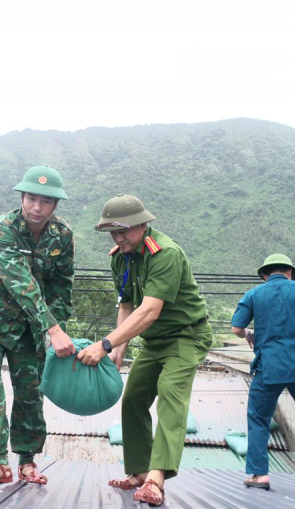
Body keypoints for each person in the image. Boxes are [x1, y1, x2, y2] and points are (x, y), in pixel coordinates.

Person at [77, 194, 213, 507]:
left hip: (187, 336)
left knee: (170, 394)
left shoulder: (164, 253)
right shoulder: (119, 256)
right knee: (134, 396)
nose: (118, 237)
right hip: (154, 341)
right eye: (112, 232)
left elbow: (149, 310)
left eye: (123, 230)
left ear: (143, 224)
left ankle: (156, 479)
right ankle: (138, 472)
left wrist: (105, 343)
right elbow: (127, 305)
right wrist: (119, 349)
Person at [0, 165, 76, 488]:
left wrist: (56, 331)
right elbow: (20, 282)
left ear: (55, 205)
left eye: (45, 201)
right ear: (22, 198)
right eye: (30, 199)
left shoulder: (63, 236)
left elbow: (61, 286)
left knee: (30, 392)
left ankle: (27, 461)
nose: (36, 208)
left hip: (31, 328)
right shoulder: (2, 229)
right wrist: (53, 329)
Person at [231, 254, 295, 490]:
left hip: (268, 368)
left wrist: (248, 336)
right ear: (290, 273)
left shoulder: (254, 294)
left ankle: (259, 475)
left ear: (265, 275)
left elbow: (237, 327)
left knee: (259, 419)